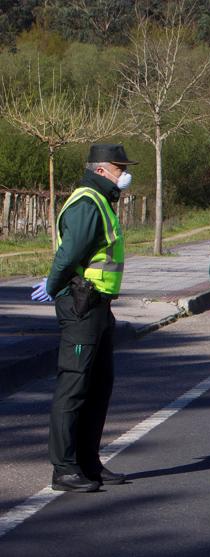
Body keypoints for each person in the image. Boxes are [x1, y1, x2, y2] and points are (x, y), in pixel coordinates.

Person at [32, 144, 135, 492]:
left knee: (98, 385)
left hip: (98, 305)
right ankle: (64, 468)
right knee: (75, 386)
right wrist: (52, 284)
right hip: (81, 305)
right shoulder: (88, 202)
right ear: (102, 169)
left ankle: (89, 462)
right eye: (120, 168)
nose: (125, 175)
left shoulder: (100, 200)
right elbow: (70, 252)